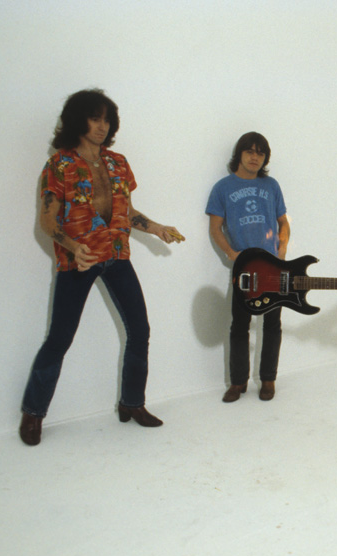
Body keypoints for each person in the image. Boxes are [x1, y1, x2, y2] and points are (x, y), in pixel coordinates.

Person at [19, 89, 185, 446]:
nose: (101, 126)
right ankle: (33, 413)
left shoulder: (117, 162)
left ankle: (132, 404)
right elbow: (47, 222)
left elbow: (126, 211)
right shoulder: (60, 165)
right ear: (78, 120)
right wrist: (72, 247)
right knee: (60, 338)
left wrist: (155, 228)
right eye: (95, 118)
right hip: (79, 260)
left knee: (139, 330)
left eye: (106, 119)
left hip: (116, 255)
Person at [206, 132, 290, 403]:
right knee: (240, 324)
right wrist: (231, 253)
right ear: (239, 154)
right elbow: (215, 227)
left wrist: (282, 249)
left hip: (272, 267)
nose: (255, 157)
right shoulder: (222, 188)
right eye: (250, 151)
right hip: (243, 268)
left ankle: (268, 380)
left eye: (260, 153)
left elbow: (283, 223)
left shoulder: (271, 185)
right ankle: (238, 382)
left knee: (272, 324)